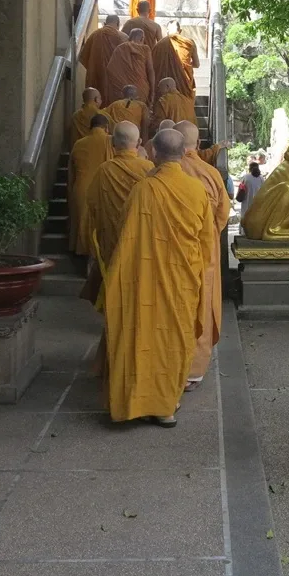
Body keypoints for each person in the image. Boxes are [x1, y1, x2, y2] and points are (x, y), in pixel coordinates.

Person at [104, 128, 215, 428]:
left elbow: (125, 235)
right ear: (183, 153)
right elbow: (206, 243)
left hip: (144, 280)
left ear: (153, 152)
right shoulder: (196, 191)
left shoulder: (143, 190)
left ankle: (137, 403)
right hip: (182, 281)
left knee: (143, 338)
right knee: (173, 341)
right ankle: (166, 406)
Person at [175, 121, 229, 391]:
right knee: (201, 306)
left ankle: (169, 364)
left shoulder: (159, 175)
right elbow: (222, 214)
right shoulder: (211, 174)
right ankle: (194, 372)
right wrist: (208, 236)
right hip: (205, 253)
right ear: (197, 144)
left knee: (174, 307)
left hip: (171, 253)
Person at [80, 121, 154, 315]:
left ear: (112, 142)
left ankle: (114, 320)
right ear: (139, 142)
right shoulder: (149, 169)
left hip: (112, 237)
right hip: (141, 238)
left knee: (114, 279)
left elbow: (92, 203)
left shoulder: (104, 170)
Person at [68, 114, 114, 255]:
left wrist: (70, 193)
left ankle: (78, 250)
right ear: (106, 128)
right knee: (98, 225)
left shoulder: (78, 144)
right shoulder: (110, 141)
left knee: (80, 222)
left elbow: (71, 174)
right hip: (101, 188)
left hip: (80, 188)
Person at [79, 15, 126, 103]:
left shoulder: (94, 35)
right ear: (118, 24)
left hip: (97, 77)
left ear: (104, 23)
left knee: (95, 102)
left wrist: (94, 68)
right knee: (114, 104)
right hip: (115, 80)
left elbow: (83, 57)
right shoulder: (123, 37)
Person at [106, 29, 155, 105]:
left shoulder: (120, 48)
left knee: (123, 108)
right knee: (139, 108)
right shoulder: (145, 49)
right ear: (142, 38)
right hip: (140, 87)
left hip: (122, 88)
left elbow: (110, 69)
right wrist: (152, 91)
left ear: (130, 37)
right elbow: (150, 70)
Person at [152, 21, 200, 100]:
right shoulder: (189, 43)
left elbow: (154, 66)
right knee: (184, 104)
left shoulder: (159, 45)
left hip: (165, 86)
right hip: (184, 83)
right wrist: (184, 65)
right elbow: (197, 64)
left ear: (167, 31)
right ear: (180, 30)